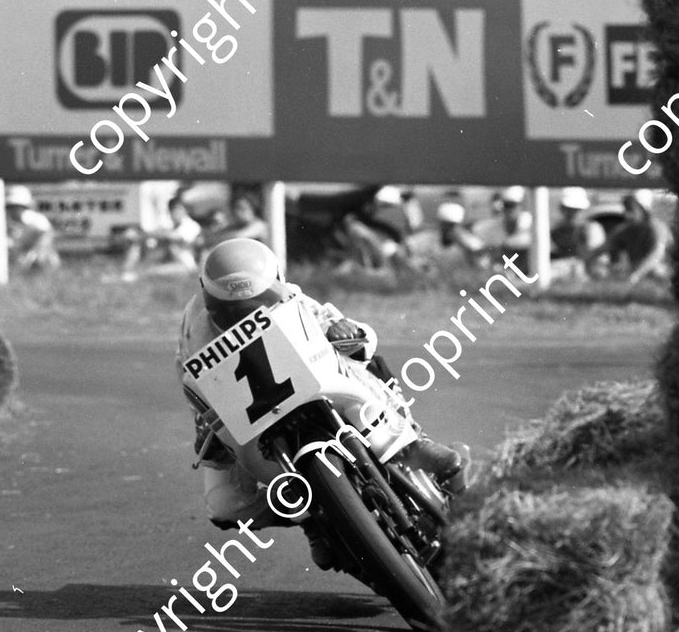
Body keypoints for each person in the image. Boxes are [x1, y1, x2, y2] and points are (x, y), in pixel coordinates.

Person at [176, 238, 466, 572]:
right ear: (206, 293)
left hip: (314, 389)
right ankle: (310, 518)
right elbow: (192, 388)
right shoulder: (192, 331)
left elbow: (358, 335)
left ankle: (412, 444)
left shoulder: (291, 296)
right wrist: (205, 426)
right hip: (249, 415)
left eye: (257, 301)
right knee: (224, 507)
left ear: (277, 282)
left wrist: (349, 332)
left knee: (363, 362)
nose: (245, 313)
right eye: (230, 307)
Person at [583, 190, 671, 286]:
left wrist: (636, 276)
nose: (627, 214)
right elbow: (600, 250)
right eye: (626, 209)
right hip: (636, 273)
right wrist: (587, 264)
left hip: (661, 271)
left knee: (656, 271)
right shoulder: (625, 230)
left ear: (644, 210)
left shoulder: (657, 228)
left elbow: (656, 256)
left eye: (631, 210)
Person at [120, 197, 202, 278]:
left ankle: (133, 275)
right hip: (169, 262)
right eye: (173, 210)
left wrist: (142, 235)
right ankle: (128, 271)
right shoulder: (170, 226)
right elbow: (159, 233)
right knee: (136, 243)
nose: (176, 213)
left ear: (185, 210)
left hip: (187, 266)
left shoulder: (192, 226)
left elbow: (173, 237)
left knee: (154, 272)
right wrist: (137, 235)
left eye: (178, 209)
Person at [550, 187, 607, 280]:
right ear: (562, 208)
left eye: (576, 209)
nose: (573, 213)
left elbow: (597, 261)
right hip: (563, 274)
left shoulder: (592, 229)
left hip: (587, 276)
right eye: (569, 209)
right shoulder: (557, 231)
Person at [4, 185, 60, 272]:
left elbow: (47, 237)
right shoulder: (2, 223)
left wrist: (32, 255)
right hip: (15, 263)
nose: (15, 210)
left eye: (19, 206)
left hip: (39, 260)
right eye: (12, 206)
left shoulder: (37, 220)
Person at [204, 192, 270, 247]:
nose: (238, 212)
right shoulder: (234, 226)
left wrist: (221, 236)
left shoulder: (258, 225)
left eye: (242, 208)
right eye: (236, 208)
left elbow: (240, 236)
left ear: (252, 209)